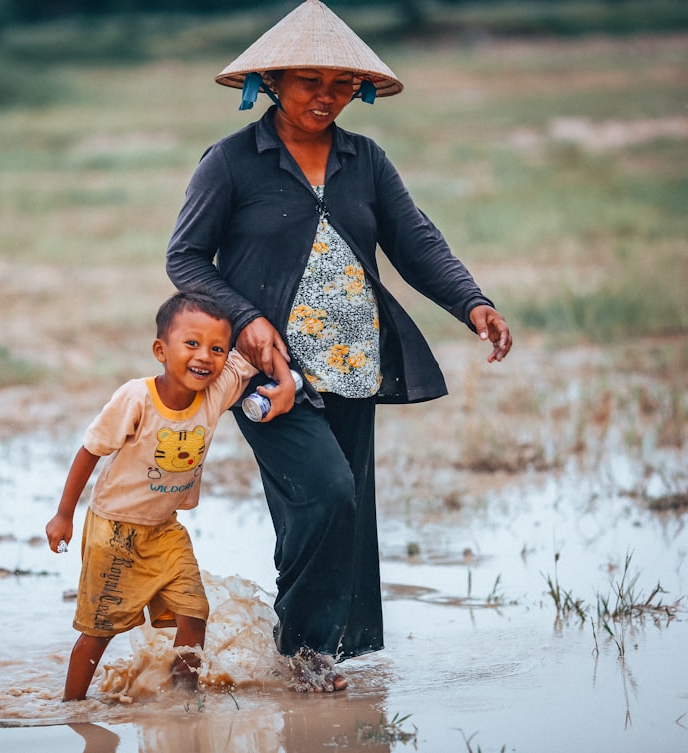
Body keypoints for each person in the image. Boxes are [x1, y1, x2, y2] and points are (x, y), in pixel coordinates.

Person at [166, 0, 512, 693]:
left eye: (340, 84)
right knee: (325, 495)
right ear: (273, 82)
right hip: (266, 371)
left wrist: (471, 300)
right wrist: (244, 317)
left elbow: (416, 241)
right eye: (308, 81)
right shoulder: (232, 163)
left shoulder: (366, 159)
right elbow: (186, 258)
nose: (325, 97)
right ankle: (302, 654)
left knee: (338, 508)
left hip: (356, 363)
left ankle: (308, 656)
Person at [44, 291, 261, 701]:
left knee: (195, 614)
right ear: (161, 350)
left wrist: (279, 366)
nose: (205, 356)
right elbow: (90, 450)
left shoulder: (215, 394)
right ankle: (71, 708)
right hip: (115, 532)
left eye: (217, 348)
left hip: (165, 530)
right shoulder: (136, 398)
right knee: (99, 631)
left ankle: (183, 698)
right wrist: (63, 515)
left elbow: (253, 349)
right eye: (192, 344)